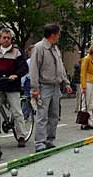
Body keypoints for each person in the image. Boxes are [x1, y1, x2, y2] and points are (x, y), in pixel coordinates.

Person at [30, 24, 72, 152]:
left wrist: (66, 82)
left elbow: (61, 67)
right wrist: (35, 88)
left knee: (54, 115)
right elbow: (34, 69)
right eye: (58, 34)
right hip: (44, 86)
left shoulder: (55, 48)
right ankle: (40, 143)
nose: (59, 36)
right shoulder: (39, 48)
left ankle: (50, 140)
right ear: (53, 35)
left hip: (56, 86)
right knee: (42, 116)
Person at [80, 44, 93, 129]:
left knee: (90, 103)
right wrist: (84, 86)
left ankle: (89, 120)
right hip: (87, 82)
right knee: (86, 102)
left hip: (92, 82)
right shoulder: (87, 59)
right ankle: (83, 122)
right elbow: (83, 73)